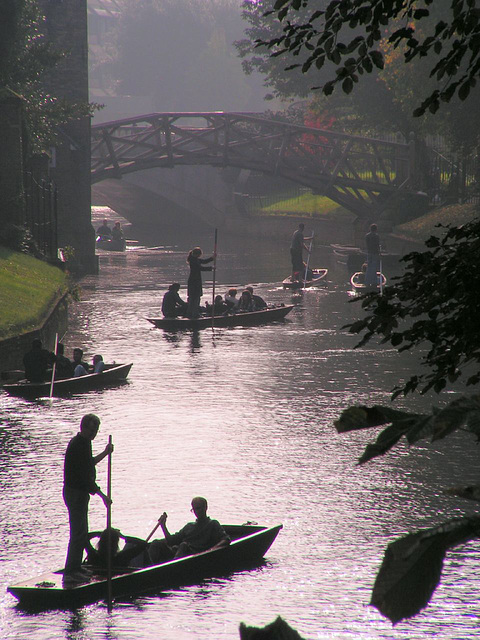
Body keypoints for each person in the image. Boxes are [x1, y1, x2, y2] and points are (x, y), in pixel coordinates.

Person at [63, 414, 113, 579]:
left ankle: (76, 567)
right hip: (75, 493)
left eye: (96, 431)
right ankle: (71, 572)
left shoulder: (85, 443)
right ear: (82, 427)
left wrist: (105, 453)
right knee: (77, 533)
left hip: (81, 493)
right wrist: (102, 495)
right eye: (91, 430)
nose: (94, 434)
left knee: (82, 532)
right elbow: (84, 477)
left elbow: (88, 463)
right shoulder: (77, 445)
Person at [148, 496, 230, 563]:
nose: (196, 512)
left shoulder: (213, 524)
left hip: (194, 555)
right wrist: (163, 525)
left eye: (198, 508)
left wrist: (212, 550)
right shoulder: (189, 526)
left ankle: (173, 567)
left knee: (184, 546)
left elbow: (226, 539)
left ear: (205, 508)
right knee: (156, 543)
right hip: (178, 553)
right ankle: (150, 567)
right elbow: (171, 541)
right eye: (194, 509)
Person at [186, 247, 214, 318]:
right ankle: (195, 314)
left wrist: (212, 258)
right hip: (195, 281)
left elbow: (204, 261)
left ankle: (190, 313)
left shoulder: (195, 259)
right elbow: (200, 268)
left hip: (194, 281)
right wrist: (211, 268)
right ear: (198, 254)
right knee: (195, 298)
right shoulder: (194, 261)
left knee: (192, 298)